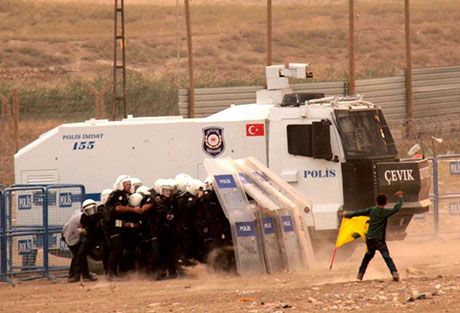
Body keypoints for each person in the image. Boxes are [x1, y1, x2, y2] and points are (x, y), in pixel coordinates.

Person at [344, 191, 404, 282]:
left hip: (370, 239)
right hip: (379, 240)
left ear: (376, 202)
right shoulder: (385, 213)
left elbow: (359, 212)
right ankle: (394, 273)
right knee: (386, 257)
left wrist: (347, 215)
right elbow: (396, 208)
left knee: (367, 257)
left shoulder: (372, 210)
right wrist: (400, 198)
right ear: (386, 203)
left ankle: (360, 275)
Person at [102, 175, 141, 281]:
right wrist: (133, 210)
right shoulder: (118, 195)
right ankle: (111, 273)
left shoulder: (126, 195)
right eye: (127, 184)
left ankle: (116, 272)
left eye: (129, 184)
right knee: (116, 247)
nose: (129, 186)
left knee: (120, 247)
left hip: (117, 224)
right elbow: (118, 208)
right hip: (110, 225)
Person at [63, 199, 99, 283]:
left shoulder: (88, 217)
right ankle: (76, 275)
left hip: (75, 235)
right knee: (79, 255)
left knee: (80, 255)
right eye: (89, 210)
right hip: (71, 236)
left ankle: (83, 275)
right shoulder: (84, 218)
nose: (92, 212)